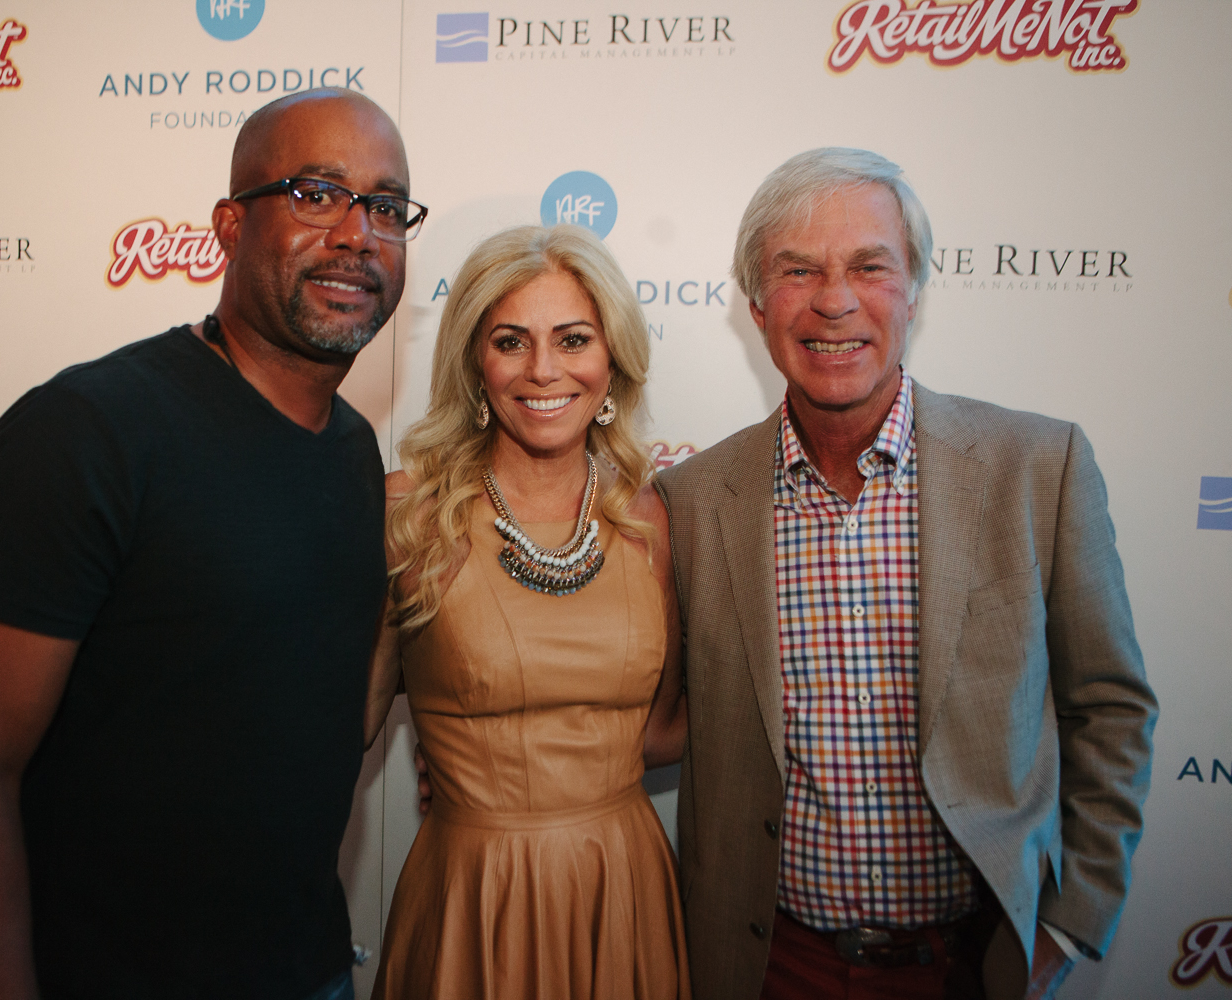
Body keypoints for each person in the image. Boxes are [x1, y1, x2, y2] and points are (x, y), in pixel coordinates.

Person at [0, 88, 425, 1000]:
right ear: (229, 224)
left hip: (310, 972)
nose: (356, 233)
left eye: (385, 207)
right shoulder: (86, 432)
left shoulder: (352, 452)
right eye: (315, 192)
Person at [654, 148, 1157, 999]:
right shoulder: (691, 501)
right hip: (770, 966)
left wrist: (1069, 924)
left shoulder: (1037, 467)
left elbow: (1107, 707)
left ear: (915, 289)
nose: (834, 299)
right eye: (797, 269)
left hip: (977, 962)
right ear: (754, 304)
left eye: (868, 267)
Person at [364, 224, 690, 999]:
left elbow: (666, 729)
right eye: (510, 341)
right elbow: (344, 723)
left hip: (622, 892)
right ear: (475, 364)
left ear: (611, 359)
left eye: (572, 339)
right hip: (471, 897)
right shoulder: (408, 515)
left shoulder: (651, 519)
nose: (543, 370)